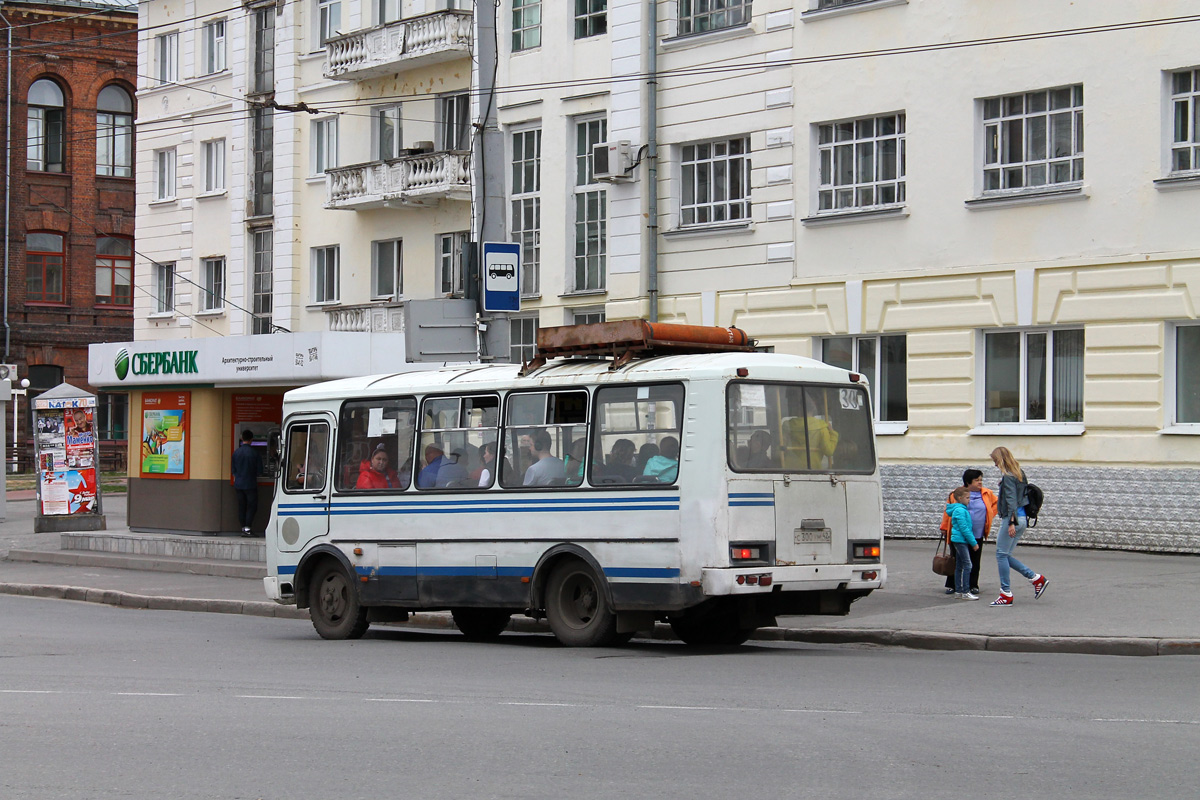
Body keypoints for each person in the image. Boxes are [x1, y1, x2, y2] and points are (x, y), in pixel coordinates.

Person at [989, 447, 1049, 606]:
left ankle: (1006, 593)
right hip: (1023, 519)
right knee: (1005, 555)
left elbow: (1011, 501)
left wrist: (1011, 523)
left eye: (995, 461)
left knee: (1001, 555)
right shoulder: (1019, 473)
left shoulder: (1008, 476)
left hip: (1013, 518)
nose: (995, 465)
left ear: (1001, 459)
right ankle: (1036, 579)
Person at [939, 469, 998, 596]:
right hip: (959, 533)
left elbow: (996, 504)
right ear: (968, 482)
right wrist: (944, 527)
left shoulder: (987, 493)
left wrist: (989, 515)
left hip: (977, 531)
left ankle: (972, 585)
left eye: (981, 479)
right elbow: (948, 511)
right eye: (976, 480)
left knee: (975, 560)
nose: (980, 482)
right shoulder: (957, 493)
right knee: (956, 559)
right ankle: (952, 584)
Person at [946, 486, 980, 600]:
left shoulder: (959, 509)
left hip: (958, 540)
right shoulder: (960, 510)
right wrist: (973, 543)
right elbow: (964, 528)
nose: (969, 500)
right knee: (967, 564)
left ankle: (959, 591)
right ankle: (965, 591)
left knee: (959, 566)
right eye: (967, 497)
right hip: (961, 540)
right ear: (960, 498)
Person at [231, 429, 263, 537]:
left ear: (241, 438)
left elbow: (233, 470)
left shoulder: (236, 453)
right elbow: (260, 471)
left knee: (241, 506)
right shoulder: (255, 453)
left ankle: (243, 528)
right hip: (250, 484)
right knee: (252, 506)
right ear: (251, 440)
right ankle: (248, 528)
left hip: (238, 484)